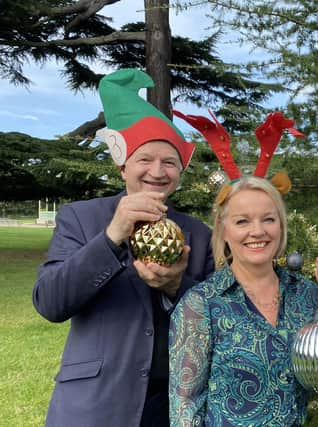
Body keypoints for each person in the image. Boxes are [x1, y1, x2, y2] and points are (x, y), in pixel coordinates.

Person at [32, 69, 215, 427]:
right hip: (94, 405)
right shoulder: (81, 218)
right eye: (145, 160)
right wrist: (112, 235)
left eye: (169, 162)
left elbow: (219, 317)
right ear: (123, 167)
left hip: (170, 410)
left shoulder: (198, 233)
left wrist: (175, 286)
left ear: (180, 170)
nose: (157, 172)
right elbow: (50, 303)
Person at [168, 111, 318, 426]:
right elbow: (185, 407)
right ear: (223, 229)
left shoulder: (305, 294)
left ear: (281, 225)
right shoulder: (203, 305)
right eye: (242, 221)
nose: (258, 231)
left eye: (268, 219)